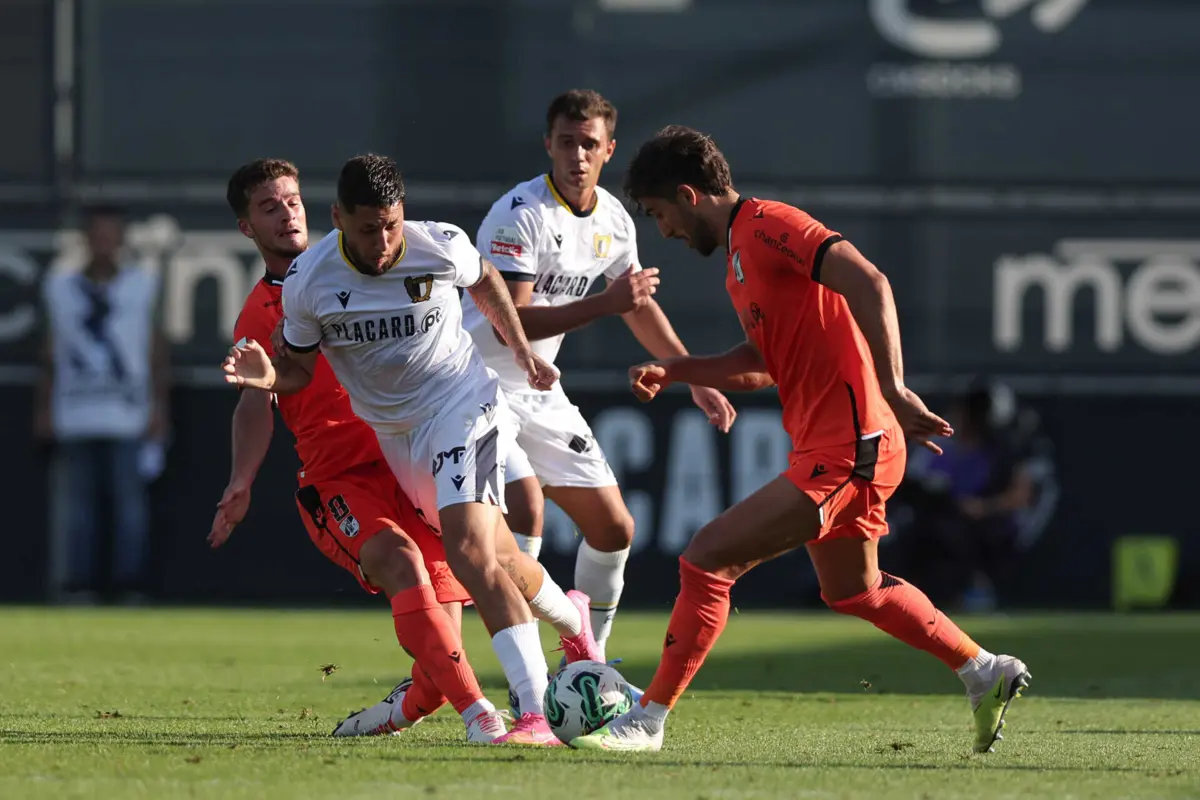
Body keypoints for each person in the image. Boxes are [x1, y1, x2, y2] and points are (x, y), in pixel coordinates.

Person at [572, 126, 1031, 754]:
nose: (665, 231)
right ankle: (984, 670)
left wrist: (894, 387)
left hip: (852, 445)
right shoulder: (739, 260)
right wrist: (676, 370)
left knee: (706, 558)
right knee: (855, 590)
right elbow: (762, 365)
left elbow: (870, 281)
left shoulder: (769, 225)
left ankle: (648, 720)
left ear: (688, 195)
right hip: (834, 444)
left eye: (659, 214)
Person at [221, 154, 600, 746]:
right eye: (368, 229)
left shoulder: (438, 245)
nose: (383, 243)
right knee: (498, 562)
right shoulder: (309, 284)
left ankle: (528, 713)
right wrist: (266, 384)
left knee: (471, 552)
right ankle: (575, 623)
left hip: (462, 406)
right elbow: (292, 375)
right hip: (394, 442)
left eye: (391, 226)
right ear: (339, 218)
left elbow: (486, 279)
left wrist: (521, 350)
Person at [462, 89, 736, 664]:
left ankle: (586, 665)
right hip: (478, 386)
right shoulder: (521, 213)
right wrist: (606, 304)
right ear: (548, 144)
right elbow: (510, 320)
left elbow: (637, 304)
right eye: (567, 142)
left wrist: (690, 374)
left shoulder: (613, 218)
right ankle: (525, 671)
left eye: (589, 144)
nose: (577, 155)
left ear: (609, 150)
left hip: (539, 389)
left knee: (614, 528)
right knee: (525, 510)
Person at [36, 204, 170, 603]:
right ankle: (77, 585)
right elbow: (49, 353)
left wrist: (159, 408)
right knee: (76, 509)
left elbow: (156, 352)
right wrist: (43, 408)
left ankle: (129, 585)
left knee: (129, 507)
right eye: (98, 235)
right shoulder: (60, 288)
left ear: (122, 240)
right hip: (75, 411)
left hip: (127, 413)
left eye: (111, 236)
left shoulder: (142, 285)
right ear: (86, 239)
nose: (104, 244)